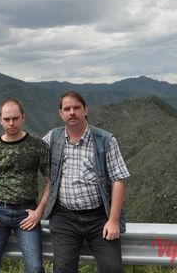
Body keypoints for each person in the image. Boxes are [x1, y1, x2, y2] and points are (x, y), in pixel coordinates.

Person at [43, 91, 130, 273]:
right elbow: (29, 148)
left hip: (99, 216)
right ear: (61, 113)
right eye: (67, 109)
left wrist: (113, 221)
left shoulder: (105, 140)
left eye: (76, 108)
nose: (72, 112)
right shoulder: (53, 138)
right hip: (64, 216)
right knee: (63, 269)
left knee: (112, 269)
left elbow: (118, 180)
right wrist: (1, 139)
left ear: (85, 110)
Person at [0, 98, 50, 273]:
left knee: (35, 268)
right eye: (7, 119)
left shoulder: (38, 146)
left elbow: (51, 181)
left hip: (26, 214)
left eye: (15, 118)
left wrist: (39, 212)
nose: (11, 123)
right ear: (0, 120)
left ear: (23, 118)